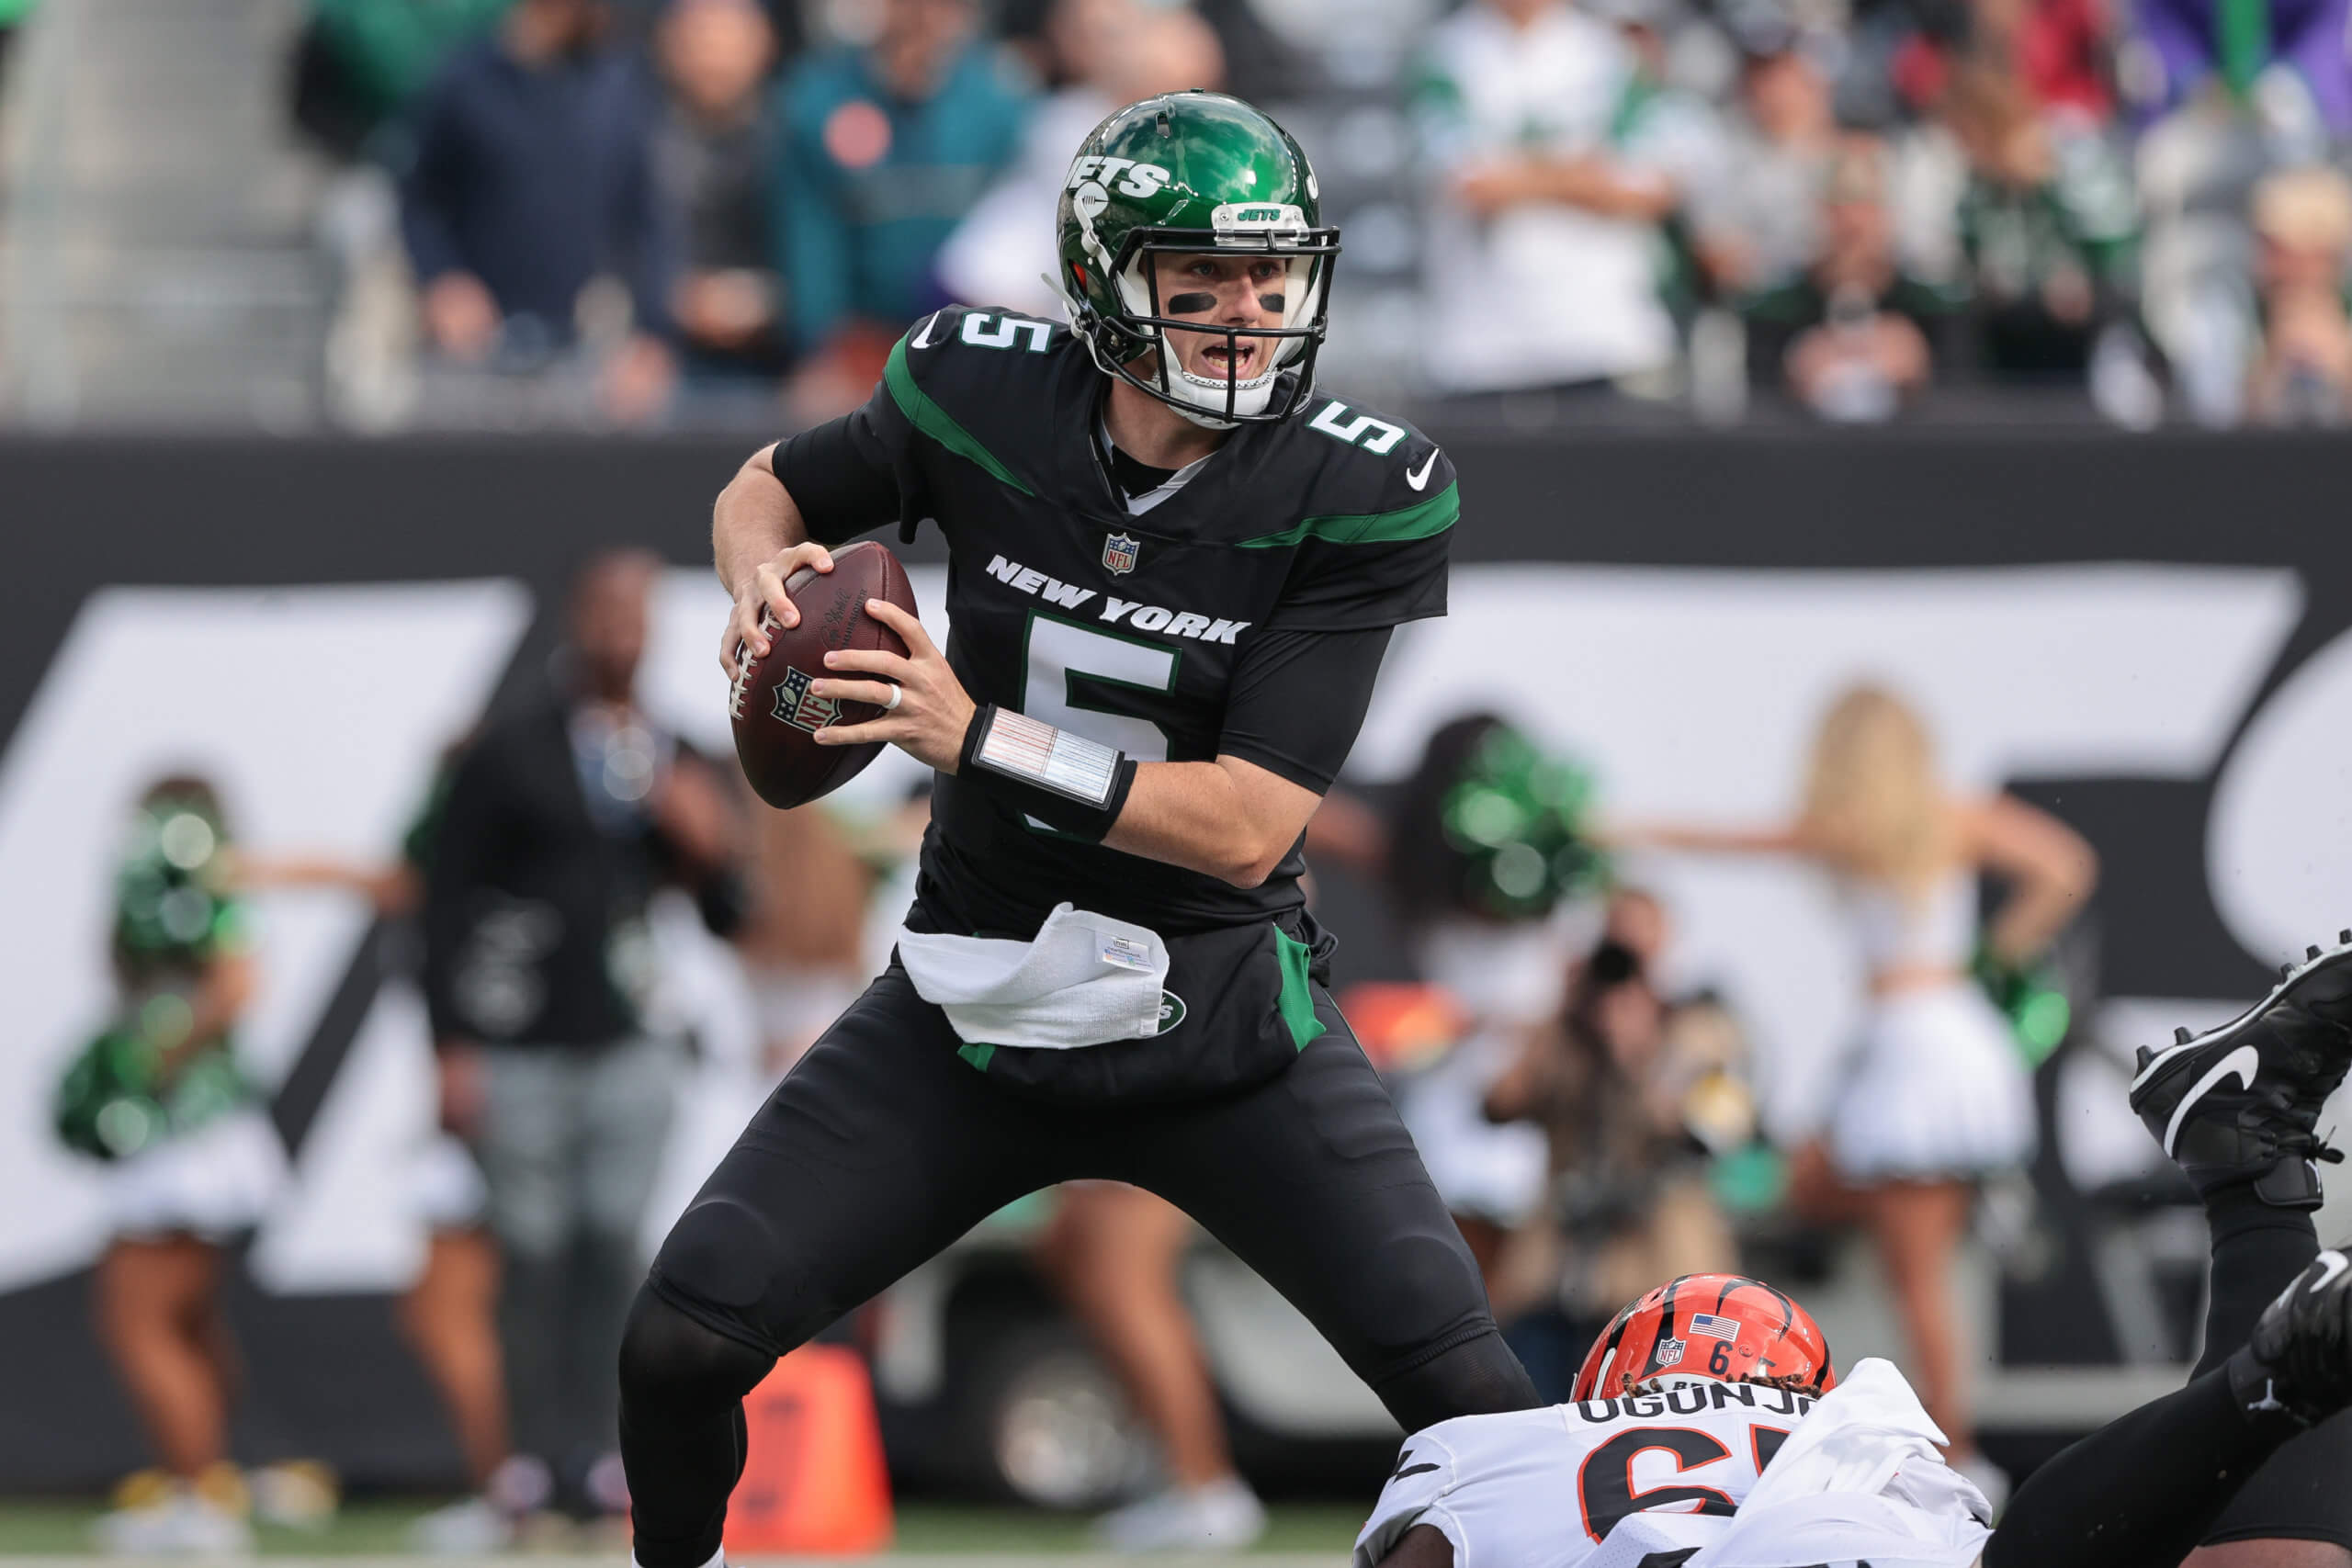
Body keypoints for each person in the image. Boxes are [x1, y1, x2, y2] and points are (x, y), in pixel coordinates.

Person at [618, 89, 1542, 1568]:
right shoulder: (975, 389)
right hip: (974, 1002)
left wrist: (972, 732)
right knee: (681, 1336)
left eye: (1269, 277)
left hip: (1219, 1019)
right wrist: (762, 581)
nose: (1247, 315)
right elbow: (769, 484)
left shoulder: (1361, 488)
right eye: (1200, 282)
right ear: (1105, 287)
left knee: (1484, 1418)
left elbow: (1246, 826)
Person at [1356, 936, 2352, 1568]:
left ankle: (2257, 1344)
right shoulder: (1858, 1436)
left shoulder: (1499, 1453)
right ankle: (2255, 1316)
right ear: (1802, 1390)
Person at [1623, 682, 2097, 1496]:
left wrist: (1629, 829)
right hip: (1926, 1039)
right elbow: (2064, 866)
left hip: (1919, 1047)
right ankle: (1917, 1432)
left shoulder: (1859, 830)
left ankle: (1959, 1458)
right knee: (1862, 1230)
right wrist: (1998, 952)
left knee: (1914, 1273)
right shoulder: (1943, 817)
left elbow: (1735, 839)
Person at [424, 550, 741, 1521]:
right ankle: (521, 1464)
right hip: (520, 1036)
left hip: (632, 1036)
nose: (619, 631)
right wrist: (448, 1046)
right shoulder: (510, 745)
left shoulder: (677, 751)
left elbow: (730, 912)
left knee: (614, 1242)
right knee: (528, 1249)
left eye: (637, 615)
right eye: (605, 611)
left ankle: (605, 1458)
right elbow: (442, 903)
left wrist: (705, 841)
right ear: (575, 618)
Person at [58, 779, 286, 1554]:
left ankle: (204, 1497)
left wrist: (151, 1059)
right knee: (186, 1317)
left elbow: (236, 982)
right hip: (194, 1128)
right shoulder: (188, 883)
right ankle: (199, 1482)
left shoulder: (191, 870)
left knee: (136, 1316)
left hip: (188, 1128)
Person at [397, 0, 678, 427]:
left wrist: (652, 335)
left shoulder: (618, 84)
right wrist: (442, 279)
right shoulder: (464, 79)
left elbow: (647, 219)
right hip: (478, 353)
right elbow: (419, 199)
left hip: (588, 355)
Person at [1413, 0, 1686, 410]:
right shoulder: (1444, 54)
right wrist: (1584, 173)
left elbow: (1651, 188)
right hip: (1480, 344)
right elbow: (1471, 185)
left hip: (1606, 334)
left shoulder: (1613, 54)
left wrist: (1517, 174)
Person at [772, 0, 1030, 421]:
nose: (927, 19)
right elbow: (810, 244)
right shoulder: (817, 98)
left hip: (975, 347)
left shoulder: (1001, 102)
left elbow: (1021, 236)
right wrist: (817, 347)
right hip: (860, 346)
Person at [650, 0, 788, 400]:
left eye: (727, 41)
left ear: (764, 45)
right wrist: (668, 298)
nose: (713, 59)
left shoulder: (791, 137)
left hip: (776, 355)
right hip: (663, 354)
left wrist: (766, 302)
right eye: (699, 41)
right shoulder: (634, 138)